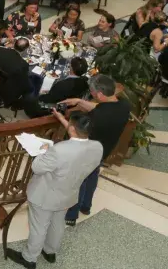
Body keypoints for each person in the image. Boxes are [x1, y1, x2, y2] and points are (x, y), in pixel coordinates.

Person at [5, 113, 102, 269]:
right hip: (69, 193)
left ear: (71, 128)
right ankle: (50, 252)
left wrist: (44, 152)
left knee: (39, 227)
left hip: (46, 194)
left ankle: (29, 258)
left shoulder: (59, 150)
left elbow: (36, 167)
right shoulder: (97, 148)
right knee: (58, 223)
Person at [55, 74, 131, 226]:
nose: (92, 95)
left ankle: (71, 215)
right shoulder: (124, 105)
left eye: (93, 93)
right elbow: (103, 106)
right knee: (92, 176)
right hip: (104, 150)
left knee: (79, 181)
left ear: (100, 94)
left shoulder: (96, 117)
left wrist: (60, 117)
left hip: (87, 152)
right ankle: (86, 206)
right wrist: (79, 101)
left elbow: (75, 132)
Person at [0, 38, 32, 105]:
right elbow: (22, 82)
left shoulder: (0, 50)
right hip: (4, 88)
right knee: (29, 86)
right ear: (25, 50)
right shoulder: (23, 64)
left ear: (14, 44)